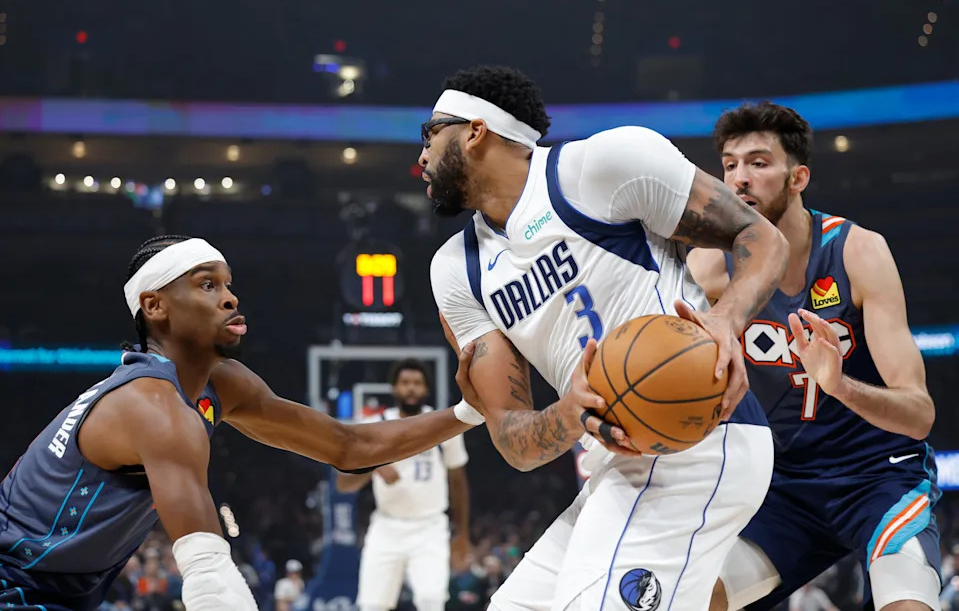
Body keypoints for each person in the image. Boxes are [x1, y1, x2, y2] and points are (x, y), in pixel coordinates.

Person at [425, 65, 788, 610]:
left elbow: (760, 236)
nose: (422, 156)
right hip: (614, 465)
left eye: (429, 134)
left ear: (475, 131)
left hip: (701, 437)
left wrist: (726, 319)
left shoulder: (601, 166)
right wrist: (570, 413)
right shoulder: (456, 269)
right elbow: (511, 438)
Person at [0, 235, 485, 611]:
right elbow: (208, 572)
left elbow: (347, 445)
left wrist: (469, 411)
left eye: (229, 284)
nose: (230, 298)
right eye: (207, 285)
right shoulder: (151, 404)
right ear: (155, 307)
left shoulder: (221, 384)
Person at [687, 101, 941, 610]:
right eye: (731, 165)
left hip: (878, 476)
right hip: (780, 488)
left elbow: (919, 416)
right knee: (697, 599)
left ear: (798, 177)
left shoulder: (858, 252)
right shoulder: (709, 268)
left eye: (759, 163)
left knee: (909, 604)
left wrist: (841, 385)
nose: (740, 179)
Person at [337, 359, 472, 611]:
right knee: (371, 605)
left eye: (417, 383)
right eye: (405, 383)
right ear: (394, 388)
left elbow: (458, 481)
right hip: (386, 525)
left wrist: (462, 534)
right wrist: (373, 464)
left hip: (430, 526)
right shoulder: (372, 427)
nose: (411, 388)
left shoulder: (443, 424)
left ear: (427, 389)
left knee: (431, 601)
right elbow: (344, 484)